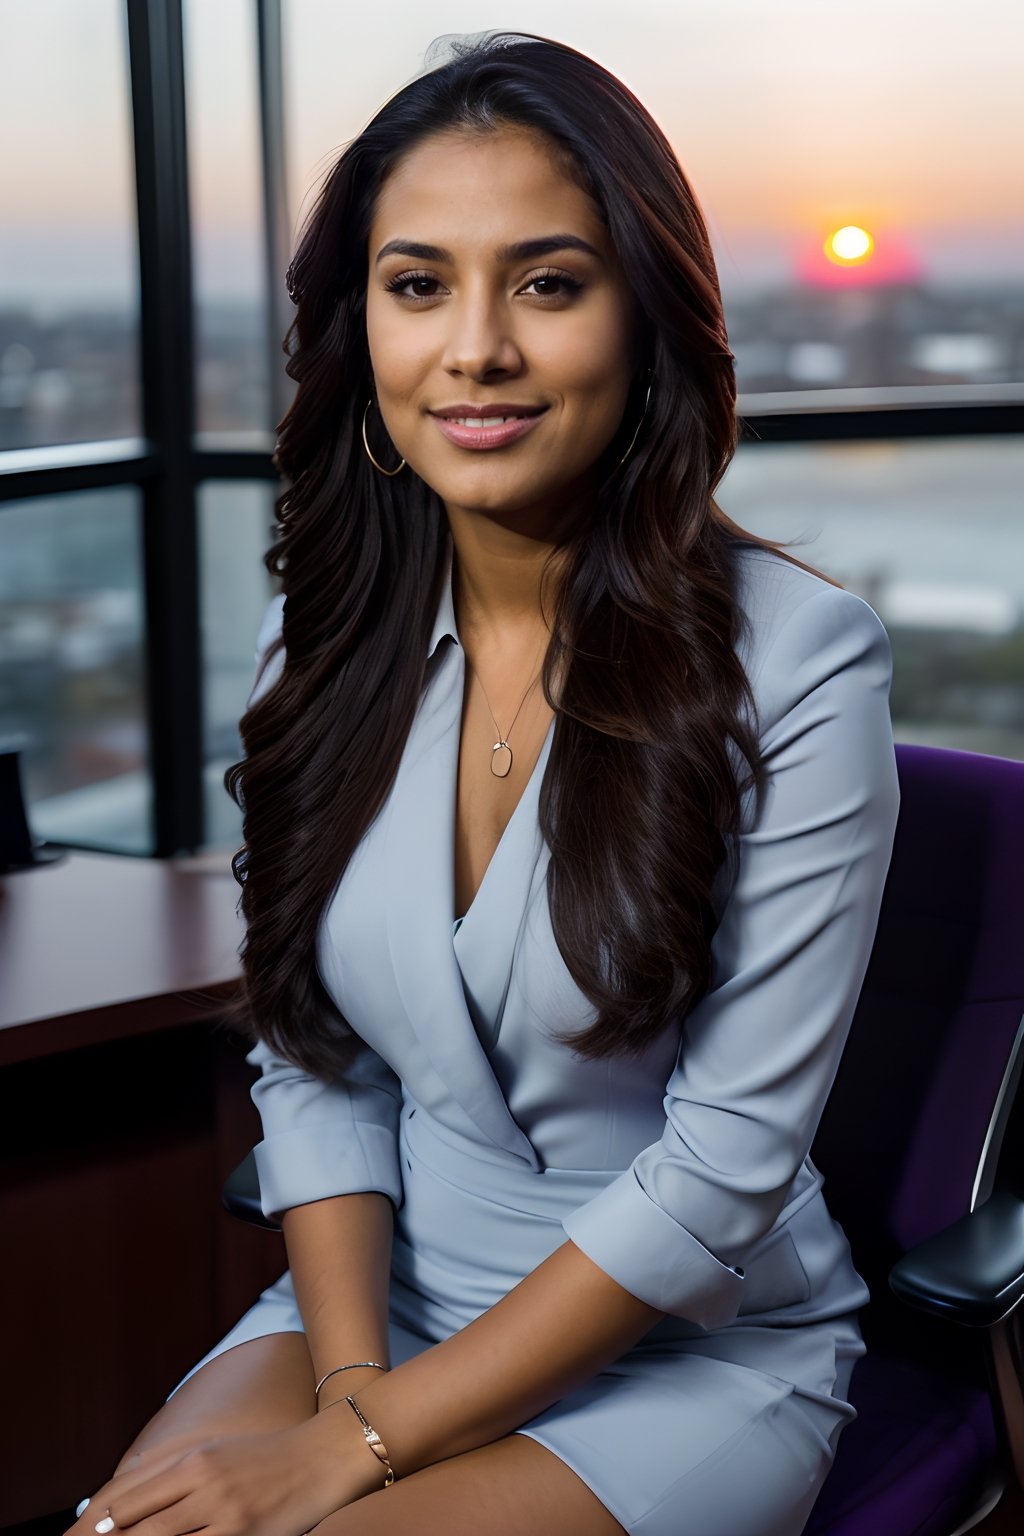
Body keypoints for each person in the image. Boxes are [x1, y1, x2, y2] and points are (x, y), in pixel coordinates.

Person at [68, 29, 900, 1536]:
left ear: (647, 319)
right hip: (381, 1312)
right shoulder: (312, 650)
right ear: (358, 328)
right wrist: (347, 1397)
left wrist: (360, 1453)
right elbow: (313, 1057)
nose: (475, 351)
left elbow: (719, 1175)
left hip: (683, 1346)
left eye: (548, 283)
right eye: (416, 285)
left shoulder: (804, 662)